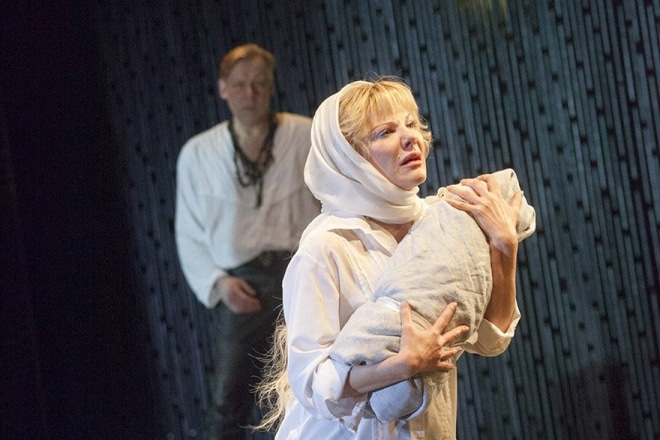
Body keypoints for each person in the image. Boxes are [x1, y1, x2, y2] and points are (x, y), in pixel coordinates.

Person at [257, 77, 526, 439]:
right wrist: (402, 366)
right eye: (385, 132)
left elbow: (490, 341)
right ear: (350, 157)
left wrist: (504, 245)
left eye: (411, 124)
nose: (410, 137)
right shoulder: (326, 246)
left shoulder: (440, 224)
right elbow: (312, 383)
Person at [174, 43, 320, 439]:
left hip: (301, 274)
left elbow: (333, 200)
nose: (249, 94)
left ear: (271, 87)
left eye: (259, 84)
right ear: (223, 88)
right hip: (244, 283)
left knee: (314, 386)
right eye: (239, 85)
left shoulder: (305, 134)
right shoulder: (198, 154)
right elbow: (188, 231)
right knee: (229, 400)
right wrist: (219, 282)